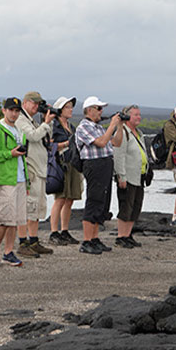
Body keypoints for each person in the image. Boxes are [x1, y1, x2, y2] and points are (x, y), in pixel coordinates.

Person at [0, 97, 28, 267]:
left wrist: (27, 181)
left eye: (17, 111)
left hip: (20, 178)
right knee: (4, 218)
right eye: (11, 110)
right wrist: (9, 154)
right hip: (4, 178)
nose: (14, 114)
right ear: (4, 110)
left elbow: (21, 156)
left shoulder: (18, 130)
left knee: (14, 219)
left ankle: (8, 252)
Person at [75, 96, 122, 255]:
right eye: (99, 108)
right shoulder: (84, 127)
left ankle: (94, 239)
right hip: (93, 164)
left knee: (102, 202)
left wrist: (119, 126)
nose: (102, 112)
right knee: (93, 201)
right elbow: (101, 142)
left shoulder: (99, 127)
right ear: (89, 110)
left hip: (105, 163)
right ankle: (86, 241)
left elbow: (116, 142)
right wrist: (112, 125)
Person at [15, 91, 55, 258]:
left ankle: (34, 240)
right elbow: (31, 136)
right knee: (29, 207)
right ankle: (23, 242)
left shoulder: (32, 120)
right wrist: (45, 122)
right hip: (30, 167)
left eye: (38, 104)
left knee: (39, 206)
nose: (36, 107)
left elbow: (47, 137)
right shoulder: (20, 119)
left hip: (40, 168)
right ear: (25, 102)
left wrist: (48, 122)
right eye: (34, 103)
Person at [112, 105, 148, 248]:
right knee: (126, 206)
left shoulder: (139, 133)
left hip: (139, 176)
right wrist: (121, 176)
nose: (139, 117)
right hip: (128, 175)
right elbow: (119, 155)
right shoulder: (123, 132)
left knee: (135, 206)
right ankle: (121, 236)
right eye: (135, 115)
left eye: (139, 115)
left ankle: (128, 234)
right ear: (127, 117)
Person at [48, 96, 81, 246]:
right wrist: (67, 143)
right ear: (60, 110)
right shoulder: (55, 126)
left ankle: (65, 230)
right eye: (67, 107)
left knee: (70, 199)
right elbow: (51, 145)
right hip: (61, 164)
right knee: (60, 198)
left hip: (72, 163)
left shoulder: (71, 126)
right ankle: (54, 232)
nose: (71, 109)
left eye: (71, 106)